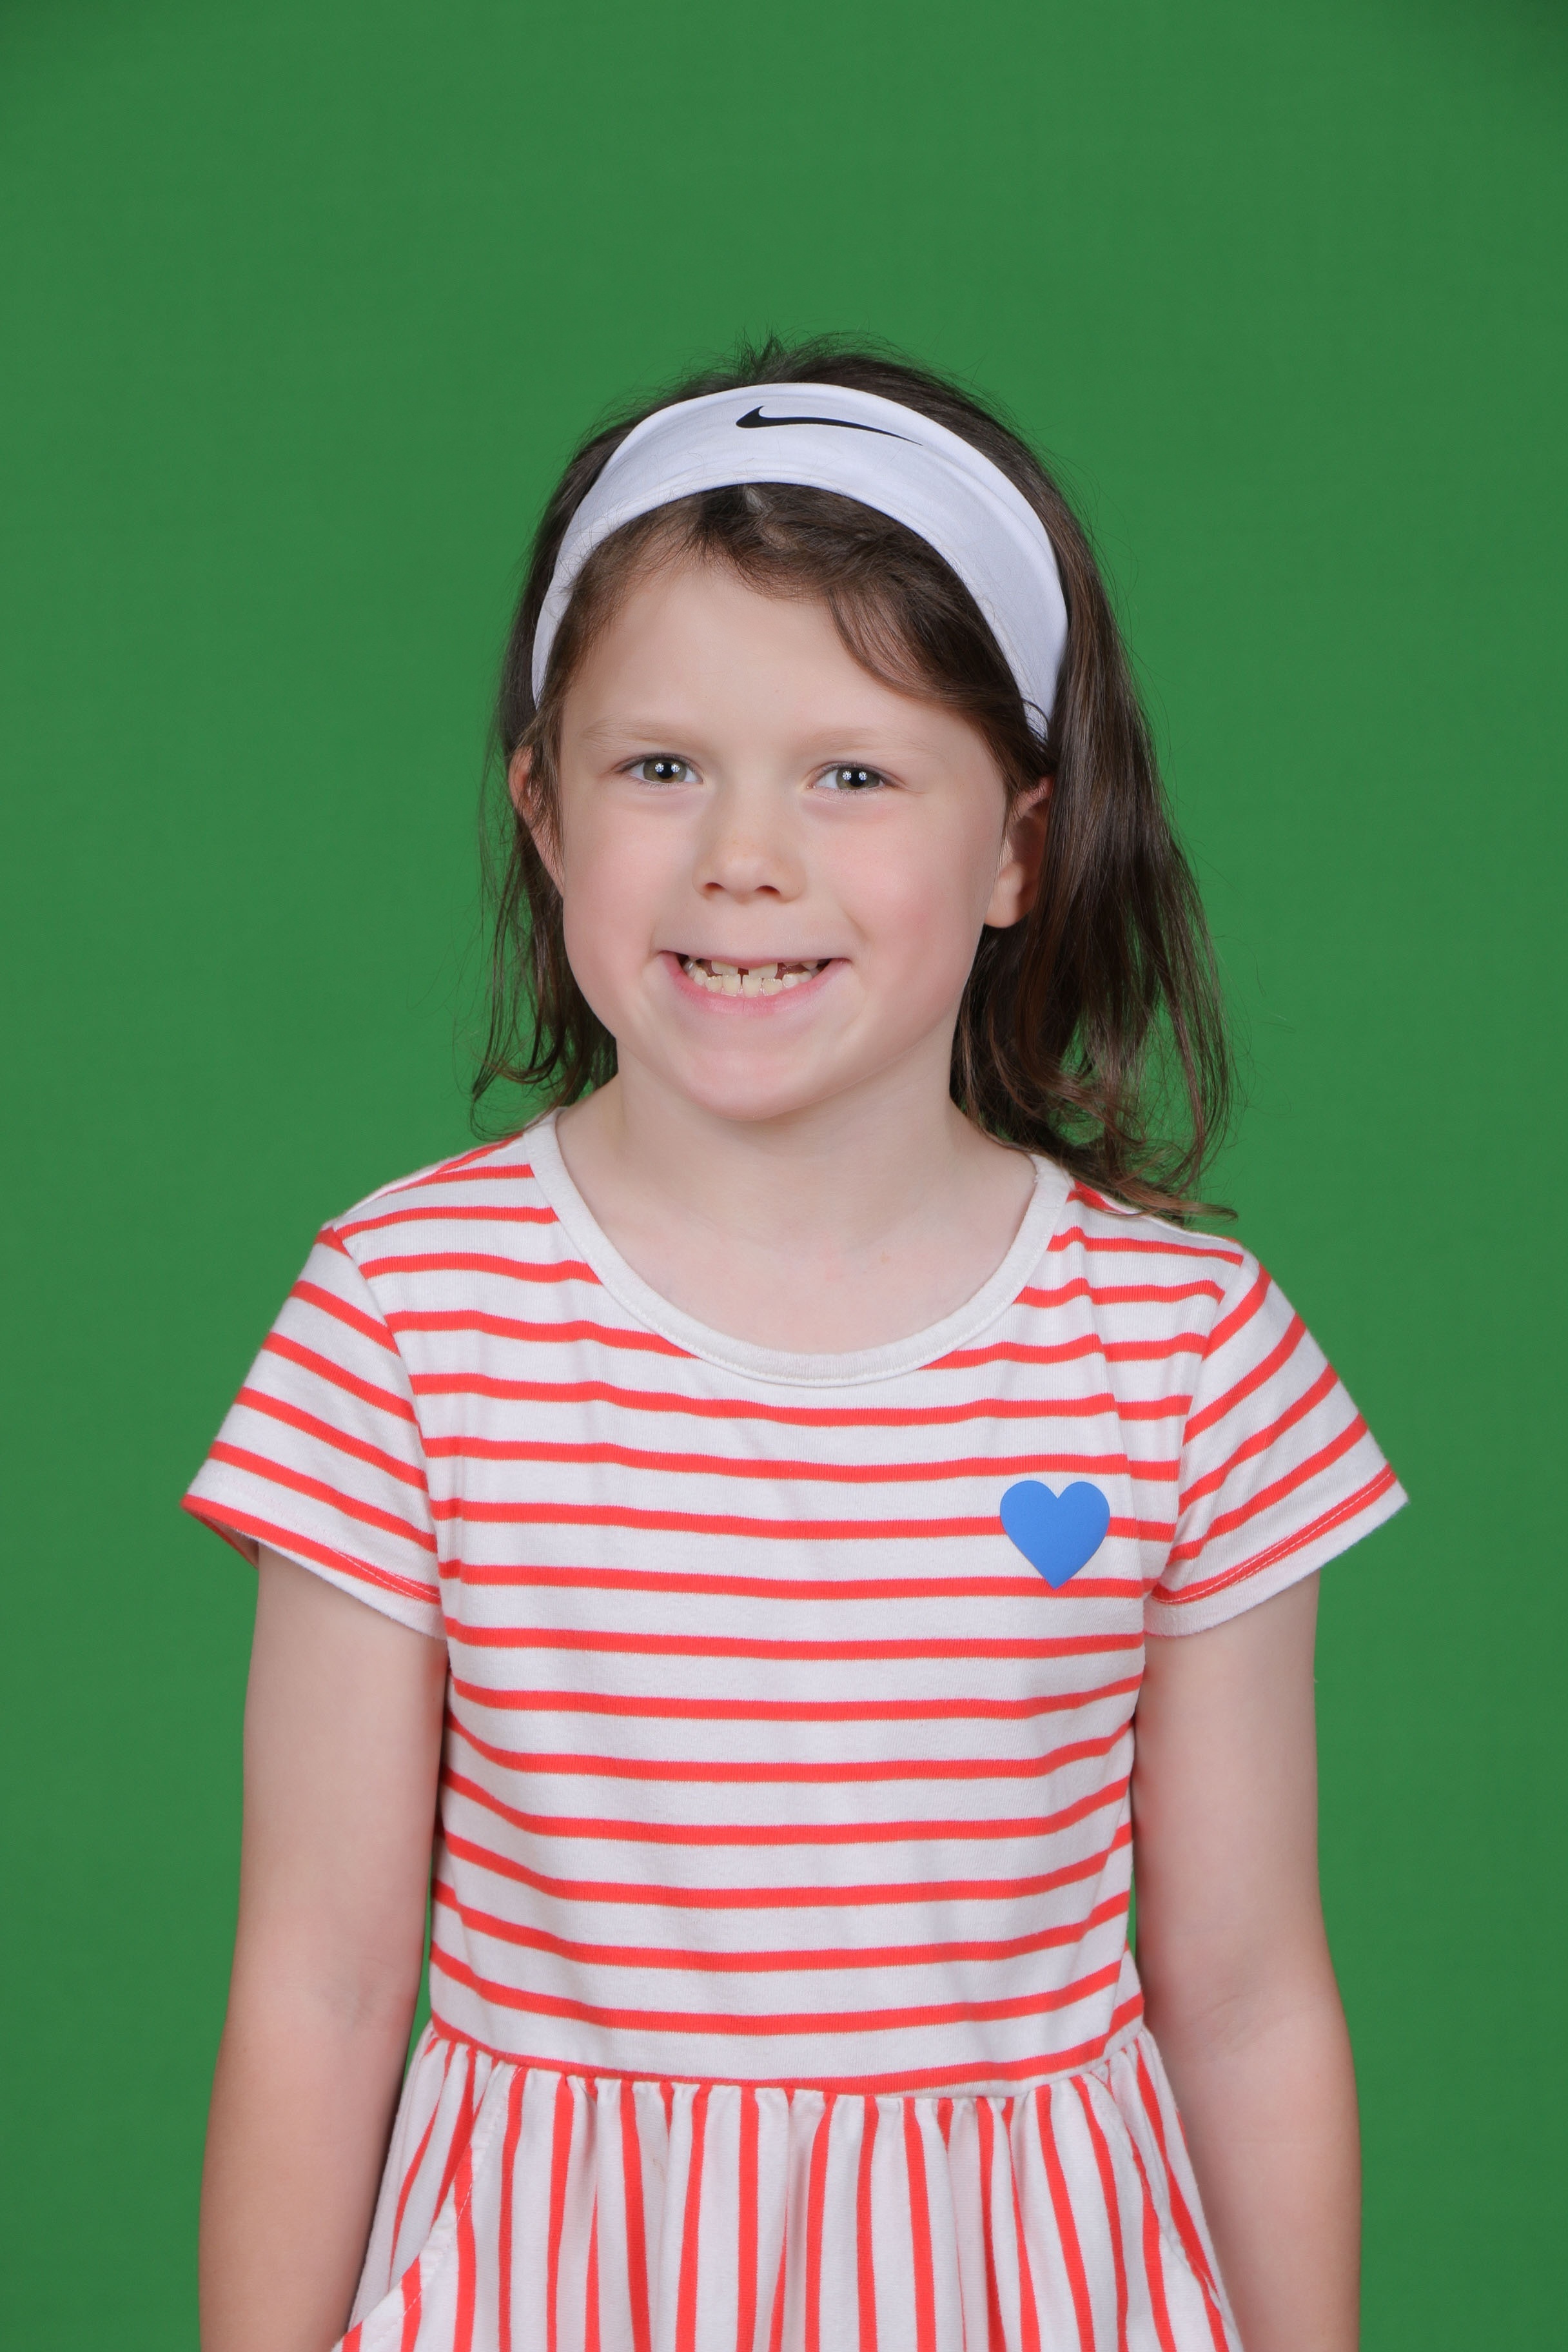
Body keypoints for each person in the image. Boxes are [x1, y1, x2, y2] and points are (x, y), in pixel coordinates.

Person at [188, 340, 1404, 2352]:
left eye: (852, 773)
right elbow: (319, 1978)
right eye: (661, 767)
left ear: (1019, 846)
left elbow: (1249, 1988)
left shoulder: (1185, 1355)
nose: (744, 855)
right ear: (545, 811)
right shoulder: (408, 1313)